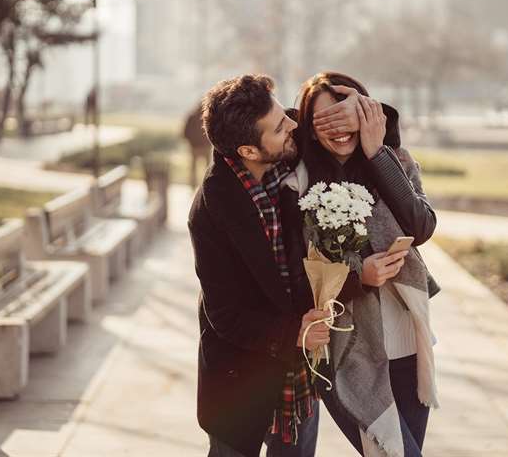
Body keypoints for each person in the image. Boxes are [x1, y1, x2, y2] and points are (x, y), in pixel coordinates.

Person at [188, 74, 358, 457]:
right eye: (281, 126)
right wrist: (294, 333)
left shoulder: (288, 153)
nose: (293, 126)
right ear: (248, 150)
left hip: (297, 380)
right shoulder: (210, 212)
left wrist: (364, 109)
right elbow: (225, 315)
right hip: (239, 383)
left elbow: (343, 127)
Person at [280, 72, 440, 457]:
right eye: (324, 121)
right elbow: (295, 276)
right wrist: (358, 278)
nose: (338, 128)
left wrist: (376, 149)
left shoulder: (393, 161)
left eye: (346, 115)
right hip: (348, 352)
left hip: (407, 344)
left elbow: (421, 226)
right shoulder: (297, 186)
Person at [183, 104, 213, 188]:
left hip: (195, 147)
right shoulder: (207, 117)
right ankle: (206, 186)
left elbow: (185, 133)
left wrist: (192, 142)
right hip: (202, 147)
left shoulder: (191, 117)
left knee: (195, 168)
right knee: (208, 169)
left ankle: (194, 186)